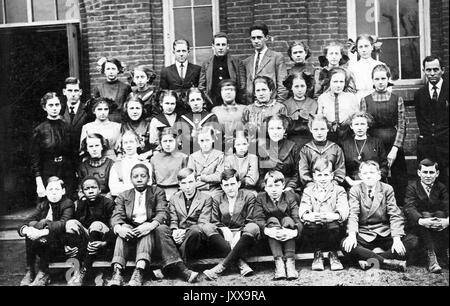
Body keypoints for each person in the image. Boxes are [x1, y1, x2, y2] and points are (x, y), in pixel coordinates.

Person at [341, 161, 418, 271]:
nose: (368, 176)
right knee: (345, 244)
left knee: (413, 241)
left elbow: (395, 215)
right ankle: (387, 262)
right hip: (365, 233)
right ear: (360, 175)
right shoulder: (355, 190)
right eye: (365, 173)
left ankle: (370, 261)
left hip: (384, 231)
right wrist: (352, 235)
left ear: (378, 175)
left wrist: (396, 239)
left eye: (372, 172)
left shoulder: (387, 189)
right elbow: (353, 214)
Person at [108, 164, 167, 286]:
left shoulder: (157, 192)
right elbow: (116, 216)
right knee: (122, 231)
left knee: (146, 231)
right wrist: (119, 228)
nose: (139, 179)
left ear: (148, 178)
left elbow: (162, 212)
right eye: (135, 176)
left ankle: (139, 271)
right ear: (131, 179)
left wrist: (150, 225)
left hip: (149, 234)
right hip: (131, 231)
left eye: (143, 176)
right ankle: (117, 271)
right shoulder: (123, 195)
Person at [361, 64, 407, 206]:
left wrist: (395, 149)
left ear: (388, 79)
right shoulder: (365, 100)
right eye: (377, 79)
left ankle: (398, 209)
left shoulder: (396, 99)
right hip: (373, 145)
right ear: (372, 81)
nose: (380, 82)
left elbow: (402, 125)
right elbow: (363, 126)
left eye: (383, 78)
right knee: (376, 176)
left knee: (398, 178)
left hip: (393, 144)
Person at [203, 169, 260, 280]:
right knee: (207, 227)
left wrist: (239, 232)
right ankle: (241, 264)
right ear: (222, 186)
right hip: (224, 236)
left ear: (238, 184)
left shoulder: (249, 196)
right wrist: (224, 229)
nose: (230, 188)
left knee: (253, 227)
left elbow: (251, 219)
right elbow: (215, 220)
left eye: (233, 184)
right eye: (226, 185)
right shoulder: (217, 198)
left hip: (243, 234)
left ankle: (221, 266)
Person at [18, 177, 74, 286]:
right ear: (46, 192)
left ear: (63, 191)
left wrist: (41, 230)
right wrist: (26, 230)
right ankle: (30, 271)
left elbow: (63, 224)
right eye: (50, 190)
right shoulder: (43, 205)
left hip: (63, 245)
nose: (53, 193)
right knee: (30, 230)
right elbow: (25, 221)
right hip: (45, 244)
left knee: (41, 223)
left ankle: (43, 272)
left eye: (57, 189)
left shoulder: (68, 203)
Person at [168, 168, 230, 263]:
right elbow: (173, 220)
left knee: (195, 231)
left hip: (197, 238)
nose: (188, 186)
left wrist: (185, 232)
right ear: (179, 184)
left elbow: (203, 222)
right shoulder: (174, 199)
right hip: (179, 237)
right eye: (184, 183)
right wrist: (175, 231)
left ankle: (178, 263)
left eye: (190, 182)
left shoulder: (206, 198)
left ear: (196, 181)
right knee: (163, 230)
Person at [299, 157, 349, 271]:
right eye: (319, 175)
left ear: (332, 176)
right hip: (316, 225)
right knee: (311, 225)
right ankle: (318, 254)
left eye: (326, 175)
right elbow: (304, 207)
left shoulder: (339, 190)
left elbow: (344, 208)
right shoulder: (309, 190)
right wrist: (308, 215)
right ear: (314, 176)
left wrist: (334, 215)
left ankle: (333, 254)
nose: (323, 179)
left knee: (334, 225)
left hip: (332, 224)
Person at [63, 176, 115, 286]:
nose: (90, 191)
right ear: (82, 191)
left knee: (96, 224)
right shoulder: (80, 204)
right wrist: (66, 243)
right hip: (87, 242)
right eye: (87, 189)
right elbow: (76, 228)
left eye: (94, 187)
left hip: (103, 243)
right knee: (71, 223)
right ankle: (76, 271)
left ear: (99, 190)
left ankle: (84, 271)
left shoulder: (108, 203)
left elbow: (114, 227)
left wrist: (105, 242)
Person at [253, 171, 301, 280]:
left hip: (289, 236)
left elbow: (297, 219)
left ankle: (290, 263)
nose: (274, 189)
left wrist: (292, 232)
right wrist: (269, 231)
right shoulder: (261, 198)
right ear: (265, 187)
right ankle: (279, 263)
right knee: (272, 220)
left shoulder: (289, 196)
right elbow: (257, 219)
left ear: (283, 186)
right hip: (269, 238)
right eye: (270, 186)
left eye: (277, 185)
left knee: (288, 219)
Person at [404, 159, 449, 273]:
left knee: (440, 213)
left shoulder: (441, 187)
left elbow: (447, 204)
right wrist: (421, 220)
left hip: (439, 225)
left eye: (431, 172)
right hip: (418, 226)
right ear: (419, 173)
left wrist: (447, 221)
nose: (428, 176)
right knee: (425, 214)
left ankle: (443, 254)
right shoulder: (412, 187)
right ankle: (431, 255)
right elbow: (409, 207)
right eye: (425, 172)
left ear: (437, 174)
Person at [31, 92, 77, 201]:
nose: (54, 108)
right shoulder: (40, 130)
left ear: (61, 106)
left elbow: (73, 152)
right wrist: (39, 182)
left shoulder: (67, 128)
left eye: (57, 105)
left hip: (67, 170)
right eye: (50, 105)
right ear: (44, 107)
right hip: (48, 170)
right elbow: (35, 158)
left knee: (68, 201)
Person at [414, 55, 449, 187]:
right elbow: (421, 121)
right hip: (427, 145)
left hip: (446, 144)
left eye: (436, 69)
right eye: (428, 70)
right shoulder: (419, 94)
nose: (432, 73)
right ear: (424, 71)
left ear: (443, 70)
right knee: (428, 181)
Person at [340, 111, 388, 188]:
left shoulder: (377, 142)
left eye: (362, 124)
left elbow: (384, 166)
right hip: (352, 183)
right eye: (356, 124)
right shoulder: (345, 144)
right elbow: (341, 167)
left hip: (374, 183)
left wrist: (373, 180)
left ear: (367, 125)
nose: (359, 127)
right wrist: (351, 182)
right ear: (351, 126)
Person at [244, 23, 288, 104]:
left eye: (259, 37)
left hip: (271, 104)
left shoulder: (276, 57)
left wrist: (277, 105)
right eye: (253, 38)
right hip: (252, 106)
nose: (256, 41)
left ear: (266, 38)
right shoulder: (247, 61)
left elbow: (282, 85)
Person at [199, 32, 246, 107]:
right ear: (213, 46)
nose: (220, 47)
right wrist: (209, 101)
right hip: (213, 104)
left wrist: (237, 100)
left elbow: (242, 85)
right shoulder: (206, 64)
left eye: (223, 45)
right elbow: (202, 86)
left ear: (228, 46)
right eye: (218, 45)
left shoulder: (237, 62)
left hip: (233, 103)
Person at [298, 114, 346, 188]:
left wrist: (333, 184)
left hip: (332, 187)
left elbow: (340, 171)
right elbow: (303, 171)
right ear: (311, 130)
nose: (319, 133)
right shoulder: (305, 149)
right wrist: (312, 185)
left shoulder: (336, 148)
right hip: (312, 187)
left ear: (327, 129)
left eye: (322, 129)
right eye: (316, 129)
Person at [257, 114, 300, 192]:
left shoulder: (293, 147)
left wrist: (289, 187)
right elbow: (259, 175)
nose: (275, 132)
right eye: (271, 129)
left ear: (284, 130)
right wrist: (266, 188)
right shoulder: (262, 148)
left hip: (287, 187)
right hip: (268, 188)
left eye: (278, 128)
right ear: (267, 130)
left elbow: (297, 173)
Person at [317, 67, 360, 143]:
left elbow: (356, 118)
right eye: (335, 82)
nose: (338, 85)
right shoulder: (322, 98)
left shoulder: (351, 97)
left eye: (341, 82)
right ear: (329, 82)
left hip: (348, 135)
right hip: (329, 136)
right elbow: (320, 119)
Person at [241, 76, 287, 143]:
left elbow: (284, 130)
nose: (261, 93)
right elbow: (244, 131)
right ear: (254, 93)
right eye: (258, 90)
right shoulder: (248, 109)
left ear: (270, 90)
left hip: (275, 145)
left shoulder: (280, 108)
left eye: (264, 90)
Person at [109, 130, 153, 197]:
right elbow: (114, 190)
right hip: (123, 201)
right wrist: (138, 186)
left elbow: (148, 185)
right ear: (122, 145)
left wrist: (123, 186)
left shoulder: (146, 164)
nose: (128, 145)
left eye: (131, 142)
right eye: (125, 143)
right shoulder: (117, 166)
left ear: (138, 143)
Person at [176, 87, 219, 155]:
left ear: (203, 100)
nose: (195, 103)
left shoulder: (211, 117)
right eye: (192, 100)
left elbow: (217, 140)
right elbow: (179, 141)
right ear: (188, 102)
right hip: (188, 154)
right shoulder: (183, 119)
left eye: (198, 99)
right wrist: (191, 137)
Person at [150, 127, 188, 201]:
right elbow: (153, 181)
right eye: (165, 141)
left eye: (170, 141)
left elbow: (186, 180)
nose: (168, 144)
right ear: (160, 143)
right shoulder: (154, 159)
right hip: (159, 194)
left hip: (179, 193)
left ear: (176, 141)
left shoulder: (183, 157)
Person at [187, 126, 224, 198]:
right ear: (197, 141)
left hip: (216, 192)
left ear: (213, 139)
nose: (205, 144)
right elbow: (191, 179)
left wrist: (202, 178)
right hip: (197, 191)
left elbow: (219, 177)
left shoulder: (220, 155)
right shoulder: (193, 157)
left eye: (207, 140)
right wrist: (209, 183)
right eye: (202, 140)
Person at [282, 72, 317, 147]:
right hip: (291, 143)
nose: (300, 89)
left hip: (310, 142)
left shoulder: (314, 104)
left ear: (307, 86)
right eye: (296, 86)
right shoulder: (285, 105)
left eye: (302, 86)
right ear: (291, 87)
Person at [211, 79, 247, 153]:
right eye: (224, 90)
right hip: (222, 148)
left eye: (231, 89)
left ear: (236, 92)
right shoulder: (215, 110)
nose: (228, 92)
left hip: (241, 148)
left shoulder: (244, 108)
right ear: (220, 92)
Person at [93, 57, 132, 122]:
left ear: (118, 70)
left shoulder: (126, 88)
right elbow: (96, 108)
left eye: (113, 69)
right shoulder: (98, 88)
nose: (111, 72)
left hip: (121, 121)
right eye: (108, 69)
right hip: (104, 121)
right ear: (104, 71)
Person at [348, 34, 384, 101]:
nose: (364, 50)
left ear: (372, 47)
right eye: (361, 47)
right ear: (357, 49)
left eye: (366, 46)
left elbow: (387, 87)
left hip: (378, 99)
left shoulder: (380, 66)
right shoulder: (352, 68)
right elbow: (350, 90)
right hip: (359, 100)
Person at [61, 77, 90, 158]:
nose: (73, 94)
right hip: (65, 157)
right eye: (70, 91)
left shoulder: (88, 110)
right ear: (64, 92)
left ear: (80, 92)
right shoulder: (59, 110)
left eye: (76, 91)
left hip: (82, 156)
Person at [78, 133, 114, 198]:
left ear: (102, 146)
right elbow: (80, 189)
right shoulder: (83, 166)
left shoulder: (111, 164)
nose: (94, 149)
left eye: (97, 145)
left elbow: (113, 188)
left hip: (106, 200)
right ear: (87, 149)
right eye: (91, 146)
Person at [120, 95, 153, 160]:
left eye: (137, 108)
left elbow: (157, 147)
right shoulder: (124, 126)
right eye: (131, 108)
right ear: (126, 110)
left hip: (146, 160)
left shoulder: (149, 125)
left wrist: (147, 154)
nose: (135, 112)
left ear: (142, 109)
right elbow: (120, 148)